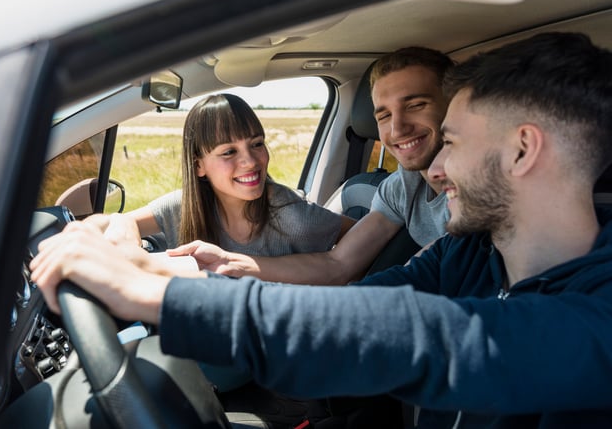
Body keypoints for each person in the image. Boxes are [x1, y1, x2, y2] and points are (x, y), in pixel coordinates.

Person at [30, 31, 612, 427]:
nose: (432, 168)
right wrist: (160, 270)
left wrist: (157, 294)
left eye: (451, 143)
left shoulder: (600, 313)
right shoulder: (467, 254)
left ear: (521, 150)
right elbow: (359, 309)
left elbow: (428, 337)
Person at [91, 93, 355, 393]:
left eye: (256, 143)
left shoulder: (291, 216)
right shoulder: (185, 206)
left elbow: (357, 239)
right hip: (213, 350)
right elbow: (103, 221)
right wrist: (123, 231)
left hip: (274, 365)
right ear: (199, 165)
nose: (251, 161)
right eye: (229, 152)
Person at [169, 47, 454, 284]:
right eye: (383, 116)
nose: (398, 128)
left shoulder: (483, 188)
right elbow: (337, 263)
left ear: (456, 104)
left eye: (416, 105)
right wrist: (230, 262)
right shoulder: (402, 187)